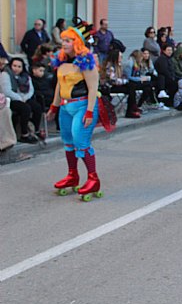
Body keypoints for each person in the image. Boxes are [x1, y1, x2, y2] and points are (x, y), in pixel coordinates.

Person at [47, 20, 104, 201]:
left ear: (77, 43)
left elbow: (93, 88)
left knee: (81, 141)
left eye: (68, 40)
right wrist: (54, 106)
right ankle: (73, 176)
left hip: (82, 105)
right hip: (65, 106)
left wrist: (88, 112)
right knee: (68, 141)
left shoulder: (85, 61)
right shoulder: (62, 61)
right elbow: (59, 86)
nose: (64, 43)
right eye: (63, 40)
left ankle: (93, 179)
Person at [0, 57, 43, 143]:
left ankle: (36, 130)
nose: (16, 68)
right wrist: (19, 98)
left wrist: (25, 98)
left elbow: (31, 89)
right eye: (14, 66)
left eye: (19, 66)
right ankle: (24, 134)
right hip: (11, 99)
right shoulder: (6, 74)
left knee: (37, 107)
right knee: (25, 108)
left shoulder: (26, 76)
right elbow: (6, 91)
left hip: (24, 97)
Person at [102, 49, 141, 118]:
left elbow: (123, 76)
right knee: (131, 86)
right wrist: (125, 81)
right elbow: (113, 80)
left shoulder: (119, 66)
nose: (121, 58)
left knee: (131, 86)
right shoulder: (110, 67)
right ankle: (131, 108)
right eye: (120, 57)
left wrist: (125, 80)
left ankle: (132, 108)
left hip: (119, 84)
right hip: (111, 87)